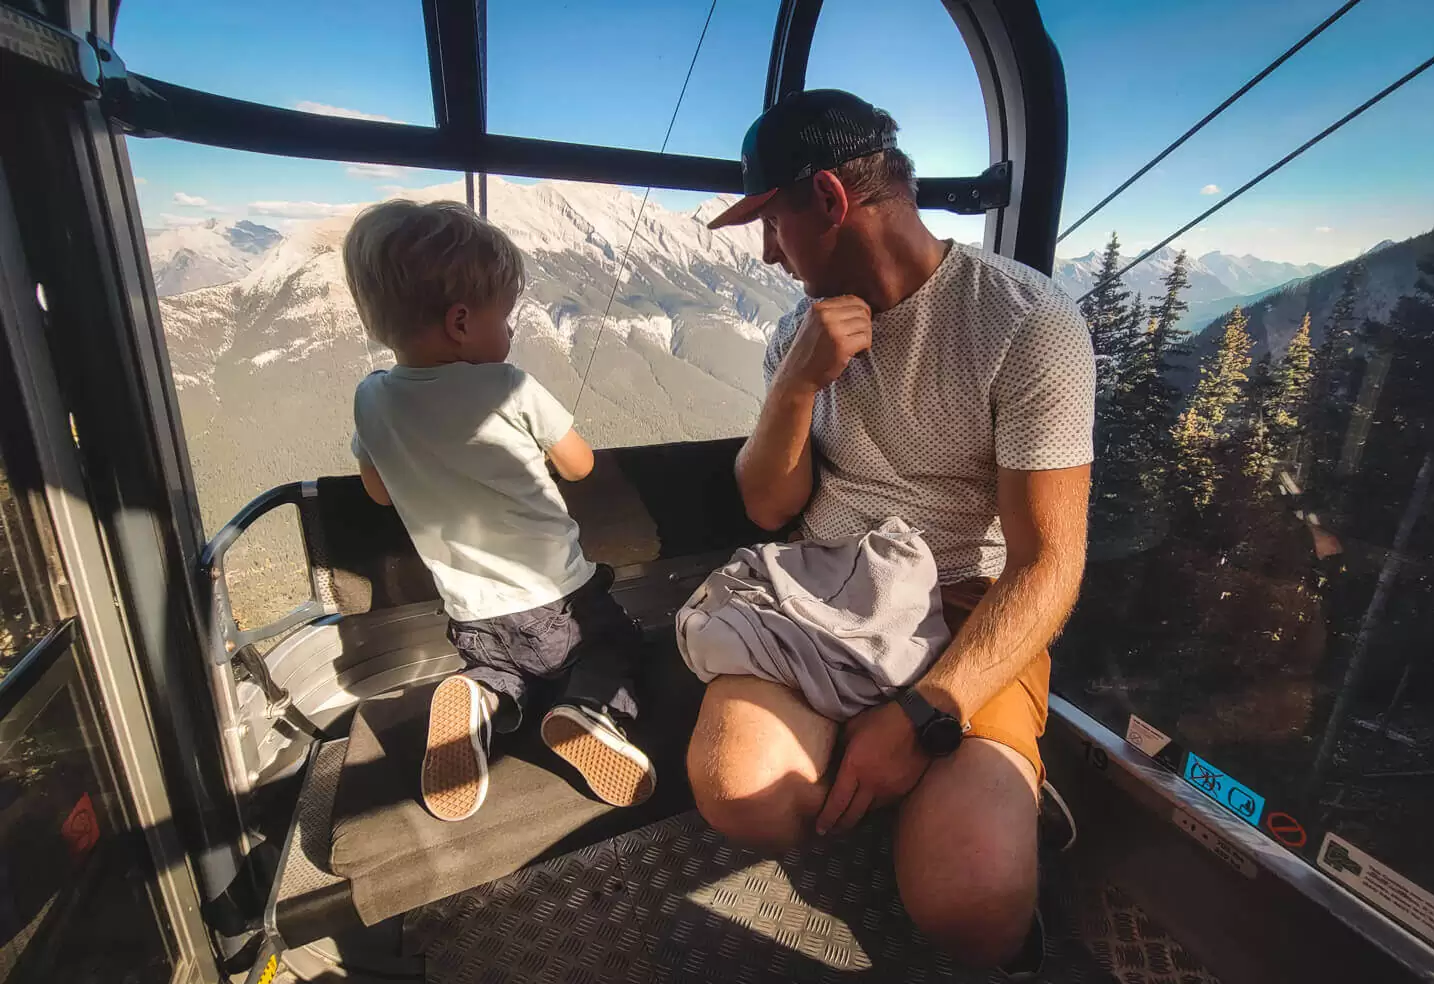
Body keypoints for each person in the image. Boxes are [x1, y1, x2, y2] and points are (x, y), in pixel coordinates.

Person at [687, 90, 1095, 968]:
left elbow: (1048, 565)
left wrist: (924, 713)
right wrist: (797, 384)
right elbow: (766, 506)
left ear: (830, 201)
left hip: (959, 608)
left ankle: (952, 785)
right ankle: (922, 786)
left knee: (973, 903)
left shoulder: (1023, 323)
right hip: (821, 582)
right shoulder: (801, 332)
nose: (767, 252)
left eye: (771, 222)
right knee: (741, 797)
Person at [343, 199, 655, 823]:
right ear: (461, 321)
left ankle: (480, 696)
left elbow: (378, 492)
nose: (511, 332)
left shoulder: (370, 397)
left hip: (470, 615)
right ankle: (589, 709)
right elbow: (580, 465)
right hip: (558, 598)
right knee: (613, 648)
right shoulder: (509, 386)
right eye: (505, 318)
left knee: (503, 670)